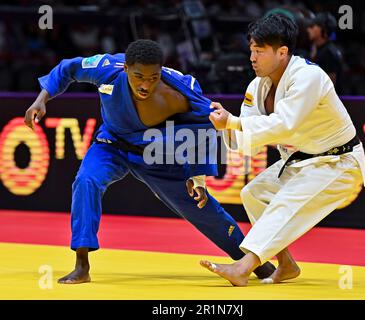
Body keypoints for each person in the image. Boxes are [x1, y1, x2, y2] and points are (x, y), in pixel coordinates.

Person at [24, 39, 275, 284]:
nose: (146, 84)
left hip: (156, 155)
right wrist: (41, 99)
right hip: (111, 145)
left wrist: (198, 177)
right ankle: (82, 265)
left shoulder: (179, 89)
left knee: (199, 206)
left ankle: (252, 262)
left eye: (152, 78)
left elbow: (209, 124)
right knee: (86, 180)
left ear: (160, 72)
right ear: (125, 68)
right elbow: (68, 68)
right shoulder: (106, 68)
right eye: (138, 77)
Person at [200, 14, 365, 286]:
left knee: (285, 201)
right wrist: (224, 125)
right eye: (251, 51)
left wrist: (232, 121)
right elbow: (248, 140)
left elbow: (285, 125)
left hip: (338, 161)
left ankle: (243, 267)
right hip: (301, 162)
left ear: (282, 52)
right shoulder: (258, 85)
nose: (252, 58)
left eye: (259, 51)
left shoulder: (308, 76)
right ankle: (286, 264)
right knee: (253, 193)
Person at [307, 12, 344, 92]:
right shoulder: (317, 49)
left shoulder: (329, 53)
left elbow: (330, 87)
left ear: (323, 29)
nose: (309, 29)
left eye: (313, 26)